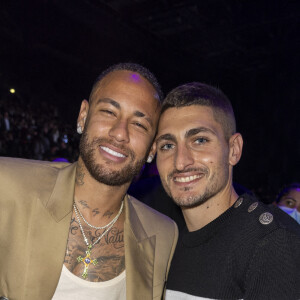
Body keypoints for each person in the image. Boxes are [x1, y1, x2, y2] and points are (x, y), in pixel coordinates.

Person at [0, 63, 178, 300]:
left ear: (152, 148)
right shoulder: (7, 186)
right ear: (83, 116)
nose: (119, 133)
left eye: (139, 124)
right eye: (108, 112)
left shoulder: (163, 234)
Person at [153, 82, 300, 300]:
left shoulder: (273, 242)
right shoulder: (163, 240)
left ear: (233, 150)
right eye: (167, 145)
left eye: (200, 140)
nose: (180, 161)